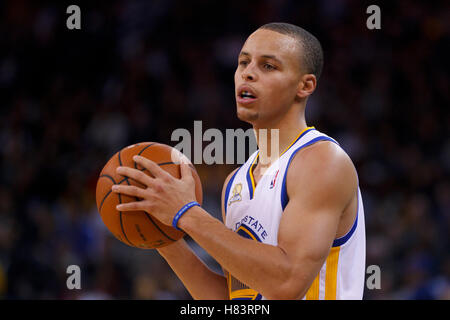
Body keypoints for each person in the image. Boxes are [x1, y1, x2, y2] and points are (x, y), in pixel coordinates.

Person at [111, 22, 366, 300]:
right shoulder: (235, 183)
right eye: (243, 62)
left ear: (304, 86)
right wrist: (159, 232)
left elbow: (286, 284)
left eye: (268, 66)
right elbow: (236, 298)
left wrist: (186, 212)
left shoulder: (322, 161)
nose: (248, 73)